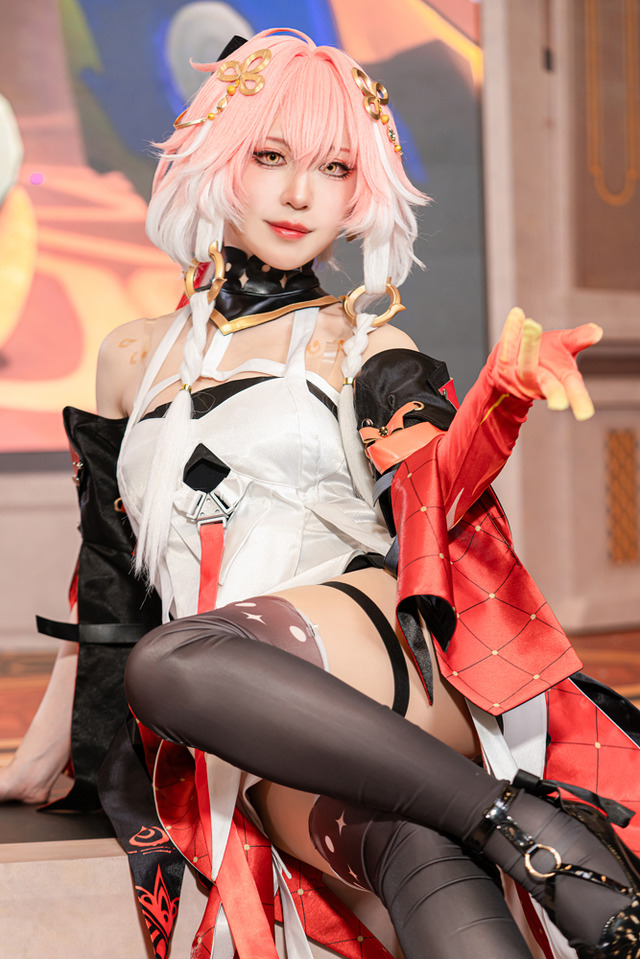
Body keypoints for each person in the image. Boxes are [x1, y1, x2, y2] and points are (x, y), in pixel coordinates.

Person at [4, 28, 639, 959]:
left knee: (175, 660)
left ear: (360, 193)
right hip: (253, 721)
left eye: (334, 168)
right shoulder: (129, 358)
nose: (301, 193)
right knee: (411, 847)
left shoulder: (363, 345)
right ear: (220, 157)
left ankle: (523, 824)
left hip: (380, 656)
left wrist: (497, 404)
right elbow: (110, 574)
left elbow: (437, 484)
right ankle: (528, 834)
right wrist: (48, 752)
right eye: (272, 157)